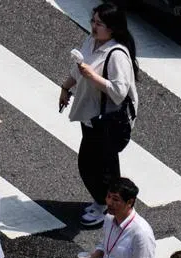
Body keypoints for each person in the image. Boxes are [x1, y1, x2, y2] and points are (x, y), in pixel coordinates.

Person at [58, 2, 139, 229]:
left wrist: (93, 77)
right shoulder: (91, 42)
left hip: (107, 121)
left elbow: (119, 91)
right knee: (98, 164)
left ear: (112, 28)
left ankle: (107, 206)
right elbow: (78, 68)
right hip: (91, 116)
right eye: (93, 21)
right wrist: (66, 87)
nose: (94, 27)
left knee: (96, 166)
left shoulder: (117, 54)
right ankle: (109, 202)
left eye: (99, 23)